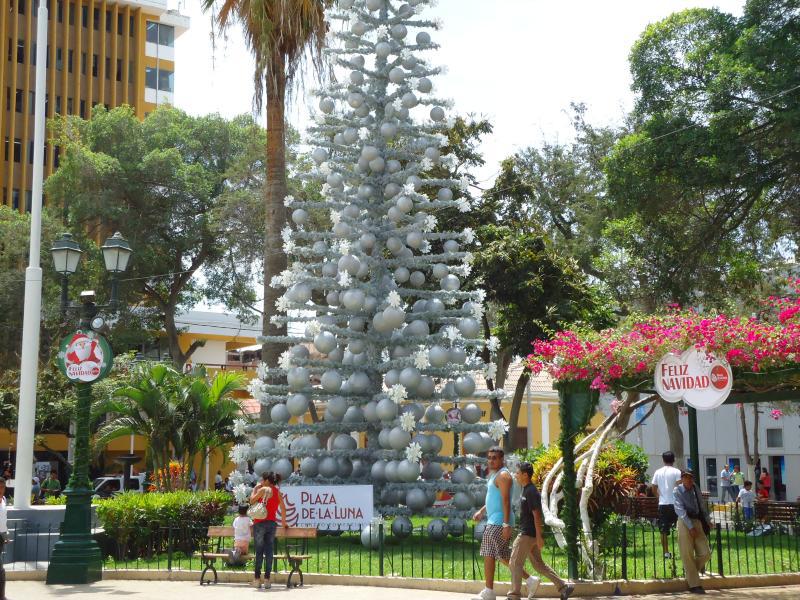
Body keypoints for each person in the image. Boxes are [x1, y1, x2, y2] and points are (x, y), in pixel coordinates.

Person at [471, 447, 534, 600]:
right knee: (491, 554)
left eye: (494, 458)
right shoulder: (495, 475)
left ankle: (529, 580)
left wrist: (506, 525)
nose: (491, 460)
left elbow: (506, 501)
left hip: (500, 521)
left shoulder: (504, 475)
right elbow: (495, 498)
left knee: (501, 555)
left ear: (501, 460)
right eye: (489, 457)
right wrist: (482, 511)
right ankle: (489, 591)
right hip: (494, 519)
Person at [507, 462, 574, 600]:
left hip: (527, 534)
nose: (516, 475)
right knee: (538, 565)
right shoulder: (526, 490)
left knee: (514, 563)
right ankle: (563, 587)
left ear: (525, 475)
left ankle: (514, 595)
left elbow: (537, 515)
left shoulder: (531, 491)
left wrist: (539, 536)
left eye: (518, 473)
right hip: (530, 534)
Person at [673, 470, 711, 595]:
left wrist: (707, 520)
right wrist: (690, 526)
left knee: (706, 553)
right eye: (685, 477)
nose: (688, 480)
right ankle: (694, 585)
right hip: (684, 521)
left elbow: (701, 505)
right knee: (687, 553)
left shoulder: (695, 488)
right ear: (682, 479)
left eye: (690, 477)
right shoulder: (677, 490)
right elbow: (679, 509)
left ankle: (690, 572)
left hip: (697, 520)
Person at [249, 472, 287, 590]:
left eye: (262, 479)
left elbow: (251, 501)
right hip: (272, 524)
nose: (261, 481)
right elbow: (283, 508)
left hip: (259, 524)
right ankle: (267, 579)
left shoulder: (263, 489)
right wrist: (284, 523)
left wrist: (255, 489)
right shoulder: (277, 492)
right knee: (269, 551)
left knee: (259, 551)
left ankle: (256, 579)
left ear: (266, 480)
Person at [650, 451, 682, 559]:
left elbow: (653, 487)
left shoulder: (658, 472)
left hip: (663, 503)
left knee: (663, 530)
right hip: (675, 503)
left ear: (663, 460)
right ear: (673, 460)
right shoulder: (677, 471)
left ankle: (666, 553)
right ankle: (683, 550)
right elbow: (679, 486)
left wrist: (658, 496)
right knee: (680, 527)